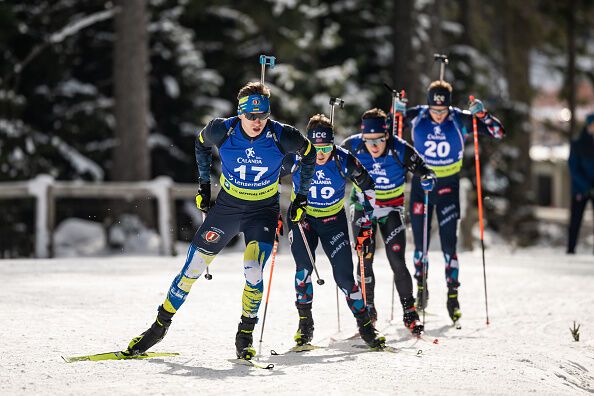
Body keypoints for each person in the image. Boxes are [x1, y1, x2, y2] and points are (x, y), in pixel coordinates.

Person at [124, 82, 316, 361]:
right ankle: (158, 327)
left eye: (262, 115)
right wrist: (204, 185)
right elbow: (200, 145)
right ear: (240, 114)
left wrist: (301, 198)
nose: (257, 122)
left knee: (252, 269)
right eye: (250, 116)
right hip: (227, 208)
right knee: (192, 269)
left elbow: (310, 155)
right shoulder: (221, 129)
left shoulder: (282, 135)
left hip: (262, 211)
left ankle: (244, 335)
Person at [393, 80, 505, 324]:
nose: (439, 115)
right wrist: (396, 110)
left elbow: (498, 132)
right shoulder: (418, 115)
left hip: (448, 187)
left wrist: (483, 115)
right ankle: (421, 286)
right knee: (420, 243)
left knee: (448, 244)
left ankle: (452, 294)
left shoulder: (459, 119)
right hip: (423, 185)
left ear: (450, 107)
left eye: (443, 111)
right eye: (435, 110)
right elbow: (385, 129)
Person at [282, 114, 385, 349]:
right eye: (315, 148)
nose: (320, 154)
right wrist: (273, 212)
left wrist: (366, 223)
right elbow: (268, 178)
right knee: (303, 272)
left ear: (333, 144)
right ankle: (305, 325)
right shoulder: (297, 158)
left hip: (333, 221)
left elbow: (369, 187)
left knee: (345, 279)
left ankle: (366, 327)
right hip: (303, 219)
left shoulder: (343, 159)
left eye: (326, 147)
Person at [341, 108, 436, 335]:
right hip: (363, 208)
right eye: (369, 140)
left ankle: (409, 312)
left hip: (391, 209)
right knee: (365, 260)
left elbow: (425, 169)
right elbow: (325, 161)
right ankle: (368, 312)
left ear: (387, 136)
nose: (374, 146)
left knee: (397, 260)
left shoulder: (399, 149)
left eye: (379, 140)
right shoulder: (352, 146)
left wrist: (427, 178)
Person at [567, 113, 594, 255]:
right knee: (576, 220)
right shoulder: (578, 144)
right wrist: (586, 187)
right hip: (580, 188)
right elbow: (573, 168)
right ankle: (571, 249)